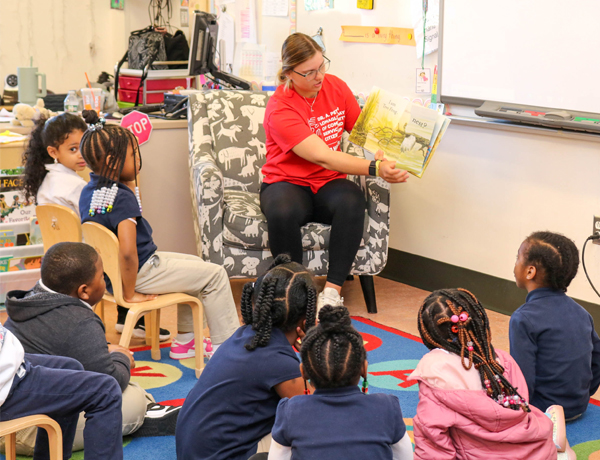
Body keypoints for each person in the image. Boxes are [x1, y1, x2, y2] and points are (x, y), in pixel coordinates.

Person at [261, 32, 409, 310]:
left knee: (352, 199)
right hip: (286, 182)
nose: (319, 76)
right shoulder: (280, 109)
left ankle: (331, 291)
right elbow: (325, 157)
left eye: (322, 65)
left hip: (326, 184)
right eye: (309, 72)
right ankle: (295, 292)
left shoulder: (336, 87)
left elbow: (365, 132)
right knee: (282, 211)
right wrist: (375, 168)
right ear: (289, 73)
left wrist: (388, 153)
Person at [78, 111, 240, 360]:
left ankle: (186, 341)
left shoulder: (90, 192)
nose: (138, 159)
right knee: (216, 274)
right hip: (138, 273)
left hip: (112, 275)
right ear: (113, 161)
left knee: (198, 266)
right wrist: (130, 293)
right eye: (133, 155)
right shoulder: (122, 199)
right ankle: (226, 349)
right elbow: (129, 253)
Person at [5, 241, 180, 450]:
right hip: (28, 431)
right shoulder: (79, 320)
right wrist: (122, 358)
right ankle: (140, 417)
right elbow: (111, 380)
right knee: (131, 396)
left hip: (11, 407)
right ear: (84, 291)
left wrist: (105, 348)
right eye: (102, 277)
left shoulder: (29, 300)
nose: (105, 282)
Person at [176, 255, 317, 460]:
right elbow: (319, 410)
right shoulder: (279, 362)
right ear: (306, 320)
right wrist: (314, 354)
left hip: (195, 452)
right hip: (224, 456)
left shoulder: (245, 334)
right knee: (320, 433)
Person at [410, 288, 556, 460]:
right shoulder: (502, 360)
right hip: (537, 452)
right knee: (543, 421)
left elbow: (432, 439)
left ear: (428, 334)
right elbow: (522, 405)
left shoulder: (434, 372)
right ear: (478, 323)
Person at [269, 305, 413, 460]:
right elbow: (405, 457)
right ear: (364, 369)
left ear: (303, 372)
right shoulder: (387, 407)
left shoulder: (291, 411)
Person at [0, 322, 123, 460]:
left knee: (71, 366)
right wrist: (121, 358)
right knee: (106, 392)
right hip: (7, 383)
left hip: (9, 360)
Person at [510, 231, 600, 420]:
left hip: (544, 412)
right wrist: (583, 394)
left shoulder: (522, 318)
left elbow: (522, 380)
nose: (515, 264)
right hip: (579, 407)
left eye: (517, 258)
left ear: (530, 271)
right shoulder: (583, 314)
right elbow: (597, 358)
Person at [21, 113, 88, 217]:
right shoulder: (77, 186)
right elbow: (93, 224)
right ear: (53, 152)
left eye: (85, 146)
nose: (82, 154)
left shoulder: (47, 179)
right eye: (73, 149)